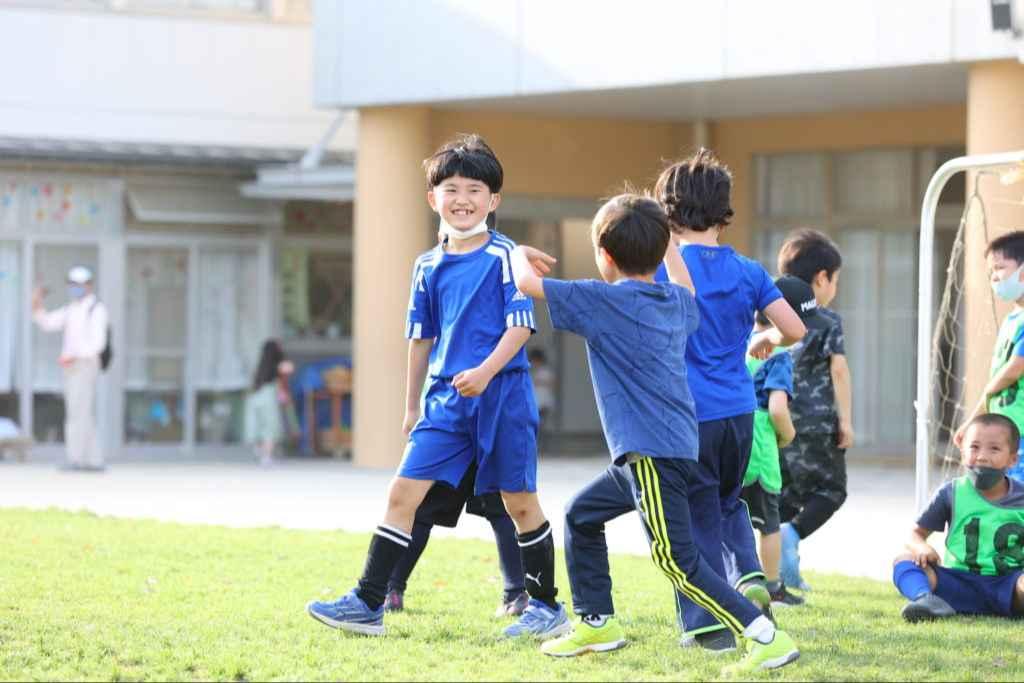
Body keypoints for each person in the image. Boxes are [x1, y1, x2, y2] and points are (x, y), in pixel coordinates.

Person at [512, 194, 800, 675]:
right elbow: (685, 282)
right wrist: (669, 246)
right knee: (582, 515)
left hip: (652, 452)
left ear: (605, 256)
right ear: (664, 245)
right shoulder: (675, 302)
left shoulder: (601, 300)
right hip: (663, 449)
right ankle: (597, 622)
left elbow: (525, 282)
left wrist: (517, 250)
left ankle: (764, 636)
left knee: (677, 561)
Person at [306, 134, 567, 639]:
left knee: (518, 504)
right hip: (445, 404)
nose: (462, 198)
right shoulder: (425, 266)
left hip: (502, 398)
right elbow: (420, 339)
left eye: (474, 189)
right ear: (433, 198)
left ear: (494, 201)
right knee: (402, 493)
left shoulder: (506, 256)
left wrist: (486, 372)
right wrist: (411, 406)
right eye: (451, 188)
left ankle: (546, 607)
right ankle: (367, 602)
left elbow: (521, 327)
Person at [652, 150, 806, 652]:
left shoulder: (662, 269)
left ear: (667, 211)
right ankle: (748, 575)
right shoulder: (748, 270)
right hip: (740, 412)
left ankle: (707, 625)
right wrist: (766, 341)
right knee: (727, 502)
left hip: (686, 415)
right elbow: (796, 328)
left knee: (691, 520)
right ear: (723, 211)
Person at [723, 276, 821, 609]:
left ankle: (733, 582)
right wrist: (788, 435)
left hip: (729, 444)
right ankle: (773, 588)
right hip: (761, 449)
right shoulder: (778, 354)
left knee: (730, 517)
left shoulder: (740, 342)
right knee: (768, 524)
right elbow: (778, 407)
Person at [775, 229, 851, 591]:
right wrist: (846, 422)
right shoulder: (827, 320)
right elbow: (838, 370)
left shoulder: (769, 315)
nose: (834, 287)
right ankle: (792, 536)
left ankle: (768, 565)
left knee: (784, 494)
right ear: (821, 278)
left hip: (777, 418)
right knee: (832, 490)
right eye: (835, 279)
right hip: (818, 422)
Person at [893, 413, 1024, 622]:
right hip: (958, 582)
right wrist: (922, 548)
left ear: (1013, 459)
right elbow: (914, 534)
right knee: (904, 559)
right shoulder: (952, 492)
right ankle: (925, 600)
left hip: (1007, 586)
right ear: (962, 452)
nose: (981, 456)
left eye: (994, 449)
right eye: (974, 447)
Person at [383, 463, 528, 618]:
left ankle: (393, 591)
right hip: (494, 441)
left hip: (458, 442)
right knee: (501, 509)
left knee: (426, 509)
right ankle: (515, 596)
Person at [953, 230, 1024, 483]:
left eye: (1000, 268)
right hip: (1007, 429)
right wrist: (975, 421)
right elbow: (994, 387)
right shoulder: (1012, 320)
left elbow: (1015, 367)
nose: (994, 277)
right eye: (991, 271)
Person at [31, 266, 108, 472]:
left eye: (79, 285)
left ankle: (76, 459)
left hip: (84, 366)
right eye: (72, 284)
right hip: (72, 366)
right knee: (81, 413)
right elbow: (48, 323)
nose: (75, 288)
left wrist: (74, 355)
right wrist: (37, 304)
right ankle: (93, 460)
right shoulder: (71, 308)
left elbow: (97, 344)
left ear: (89, 285)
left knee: (78, 414)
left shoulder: (96, 309)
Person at [244, 340, 296, 466]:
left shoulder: (260, 367)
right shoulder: (278, 365)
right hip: (268, 397)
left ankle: (259, 449)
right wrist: (282, 357)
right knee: (270, 428)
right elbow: (290, 368)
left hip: (254, 398)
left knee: (258, 426)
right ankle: (266, 456)